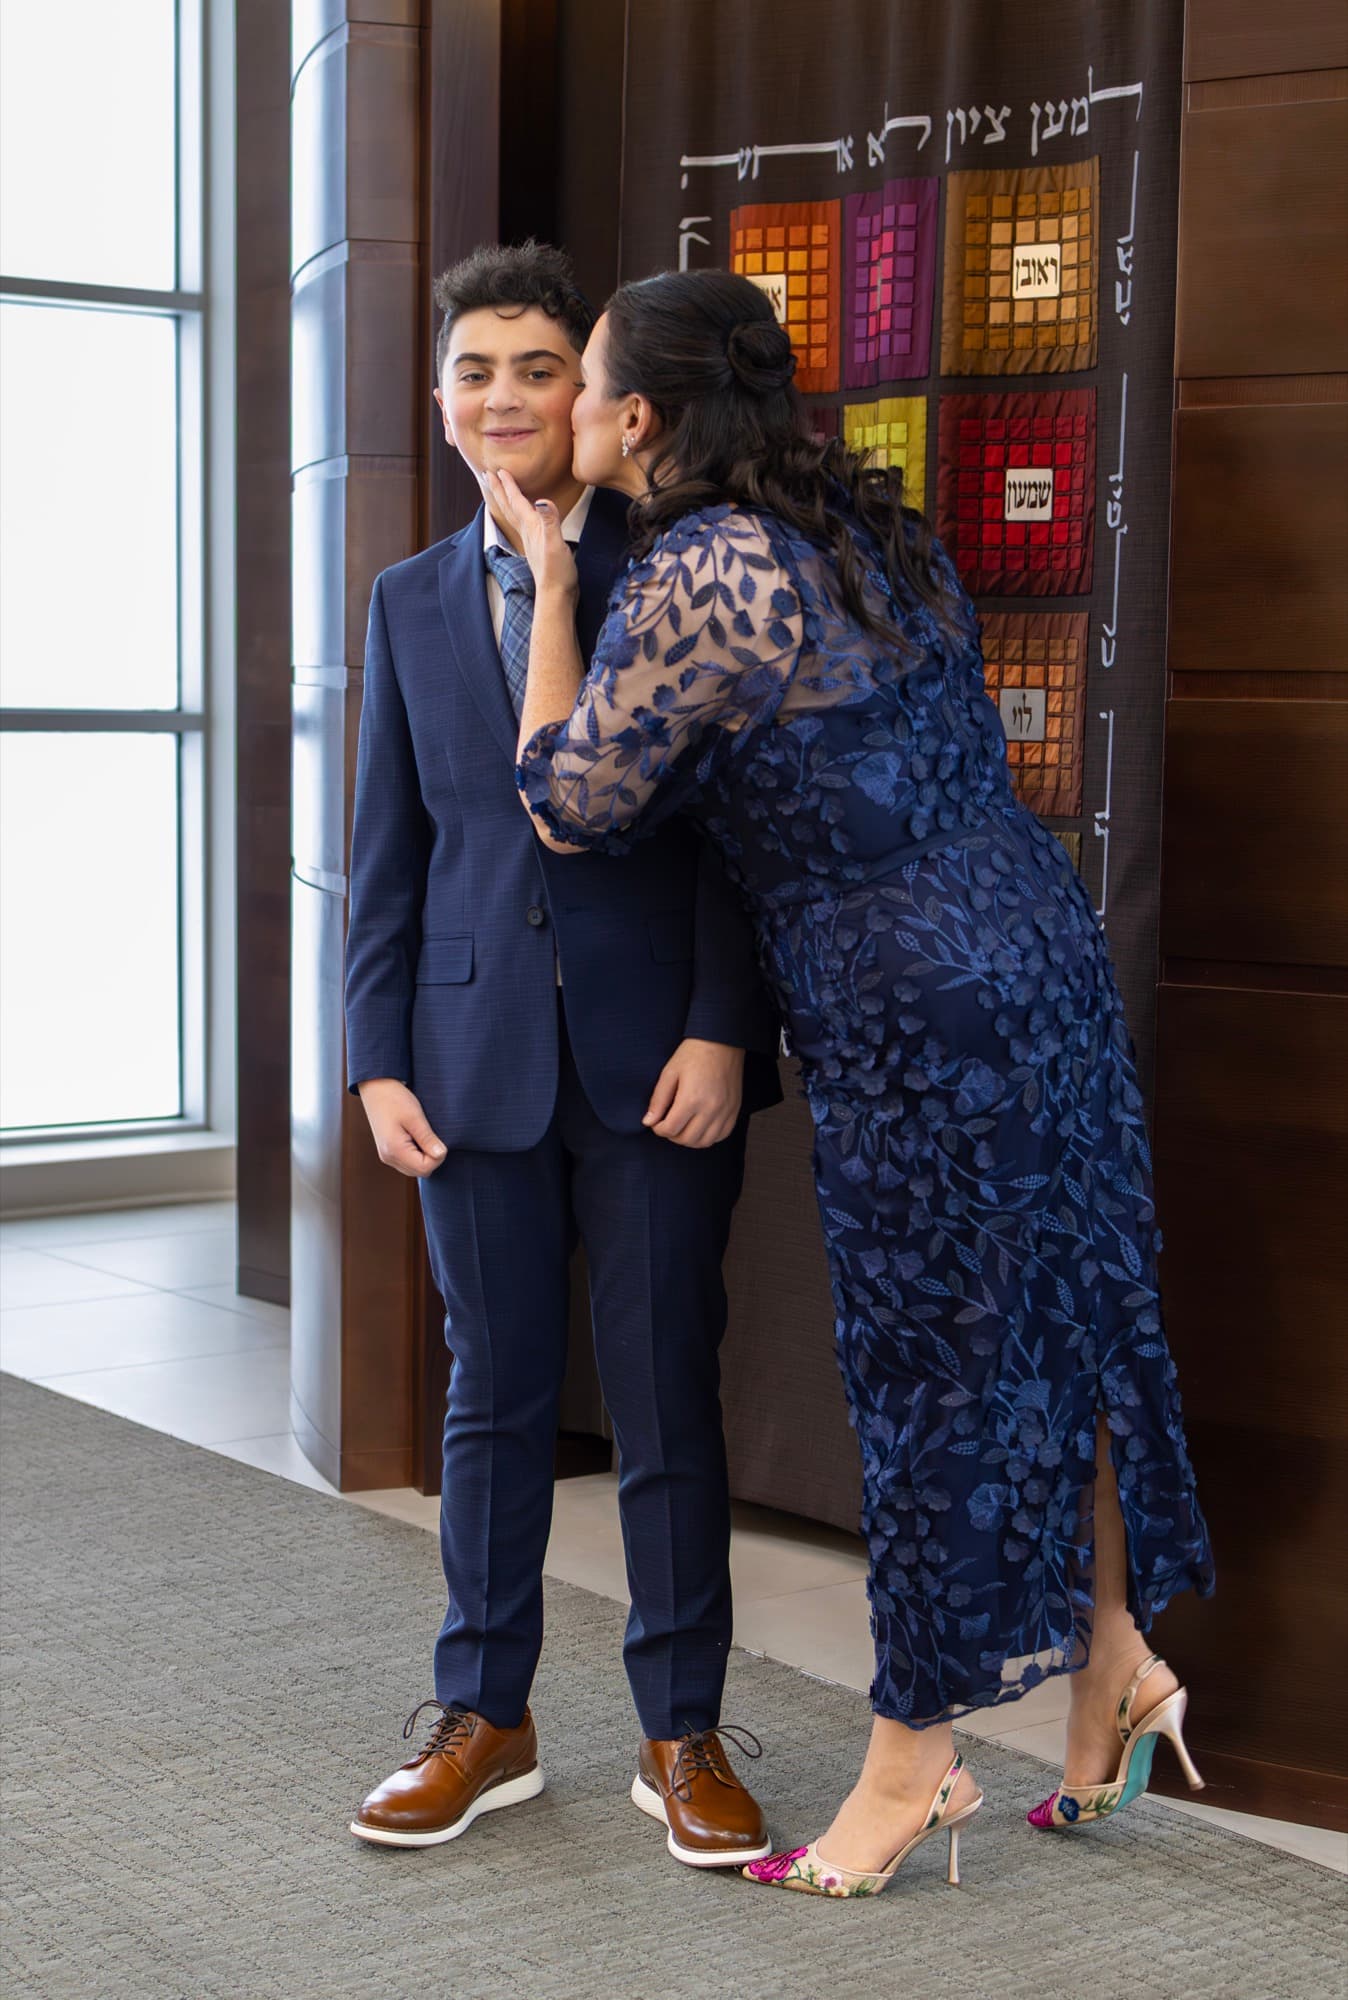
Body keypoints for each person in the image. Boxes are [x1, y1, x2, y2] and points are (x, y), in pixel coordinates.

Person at [501, 267, 1216, 1898]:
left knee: (934, 1373)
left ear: (643, 416)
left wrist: (552, 588)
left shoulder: (696, 567)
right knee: (1066, 1319)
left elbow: (571, 796)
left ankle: (911, 1765)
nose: (575, 407)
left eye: (591, 379)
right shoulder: (865, 533)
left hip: (910, 1002)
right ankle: (1112, 1664)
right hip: (1038, 947)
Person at [343, 244, 782, 1865]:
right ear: (442, 395)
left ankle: (682, 1734)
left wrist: (726, 1023)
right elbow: (386, 851)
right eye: (478, 370)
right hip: (464, 1059)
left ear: (593, 398)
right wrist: (374, 1056)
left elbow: (745, 836)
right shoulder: (401, 601)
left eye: (540, 368)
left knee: (668, 1395)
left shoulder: (685, 565)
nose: (508, 397)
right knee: (492, 1398)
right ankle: (487, 1716)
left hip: (659, 1050)